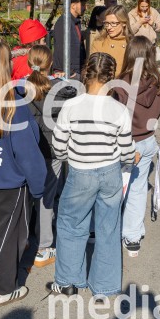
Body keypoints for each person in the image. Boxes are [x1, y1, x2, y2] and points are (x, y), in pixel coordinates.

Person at [48, 53, 137, 300]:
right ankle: (105, 287)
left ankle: (68, 281)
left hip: (80, 172)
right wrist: (129, 160)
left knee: (70, 225)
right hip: (110, 172)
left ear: (85, 73)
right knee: (109, 228)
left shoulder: (70, 107)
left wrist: (69, 155)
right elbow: (127, 149)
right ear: (112, 78)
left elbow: (58, 147)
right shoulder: (119, 109)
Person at [0, 41, 47, 306]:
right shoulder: (14, 102)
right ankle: (3, 288)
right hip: (10, 180)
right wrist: (40, 186)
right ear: (6, 65)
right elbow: (27, 150)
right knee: (8, 236)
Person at [16, 45, 76, 268]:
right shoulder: (61, 87)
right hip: (52, 148)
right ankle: (43, 245)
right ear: (50, 63)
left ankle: (23, 241)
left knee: (27, 196)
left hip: (26, 147)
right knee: (47, 197)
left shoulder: (18, 87)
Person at [113, 37, 160, 257]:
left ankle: (108, 231)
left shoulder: (120, 84)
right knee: (138, 188)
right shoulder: (159, 83)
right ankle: (133, 236)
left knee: (115, 189)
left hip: (125, 141)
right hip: (148, 140)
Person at [51, 0, 88, 78]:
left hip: (74, 71)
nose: (85, 8)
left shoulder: (75, 22)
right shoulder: (64, 23)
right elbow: (61, 49)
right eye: (82, 4)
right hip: (67, 73)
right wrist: (70, 72)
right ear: (73, 5)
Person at [89, 5, 131, 76]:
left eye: (113, 23)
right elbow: (92, 69)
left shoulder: (132, 43)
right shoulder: (99, 42)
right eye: (107, 23)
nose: (109, 27)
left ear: (124, 23)